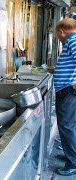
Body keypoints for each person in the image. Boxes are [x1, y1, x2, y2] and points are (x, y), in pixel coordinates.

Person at [52, 18, 76, 176]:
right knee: (70, 126)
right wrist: (56, 70)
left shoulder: (72, 41)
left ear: (61, 32)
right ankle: (71, 155)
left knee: (67, 126)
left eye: (58, 36)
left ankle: (73, 163)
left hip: (68, 91)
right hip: (67, 90)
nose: (59, 40)